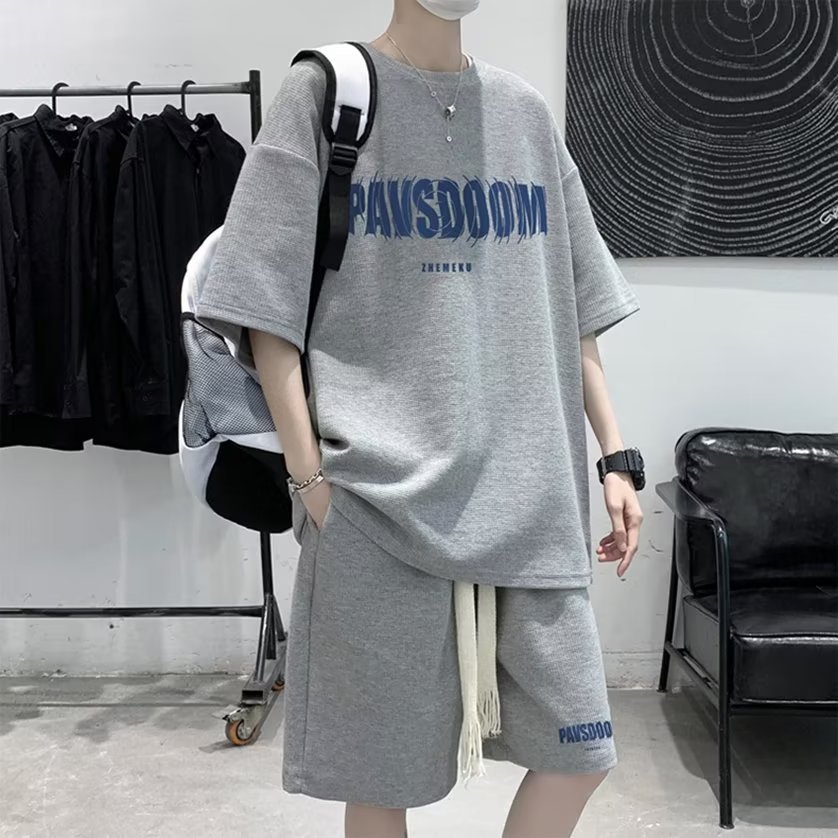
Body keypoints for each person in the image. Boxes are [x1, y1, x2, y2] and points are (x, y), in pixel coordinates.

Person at [196, 0, 645, 835]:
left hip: (530, 504)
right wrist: (312, 484)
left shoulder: (523, 113)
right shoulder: (324, 93)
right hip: (379, 504)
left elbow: (575, 301)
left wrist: (616, 457)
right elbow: (263, 313)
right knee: (383, 776)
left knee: (580, 752)